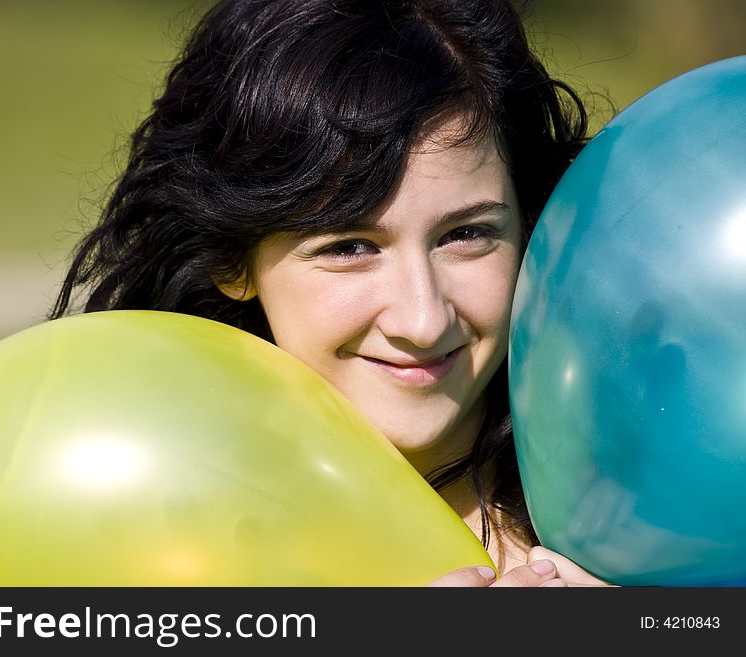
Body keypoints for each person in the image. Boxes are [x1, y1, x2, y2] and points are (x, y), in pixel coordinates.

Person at [50, 0, 609, 587]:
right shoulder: (150, 544)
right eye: (349, 247)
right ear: (230, 257)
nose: (422, 319)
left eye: (465, 234)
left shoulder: (648, 490)